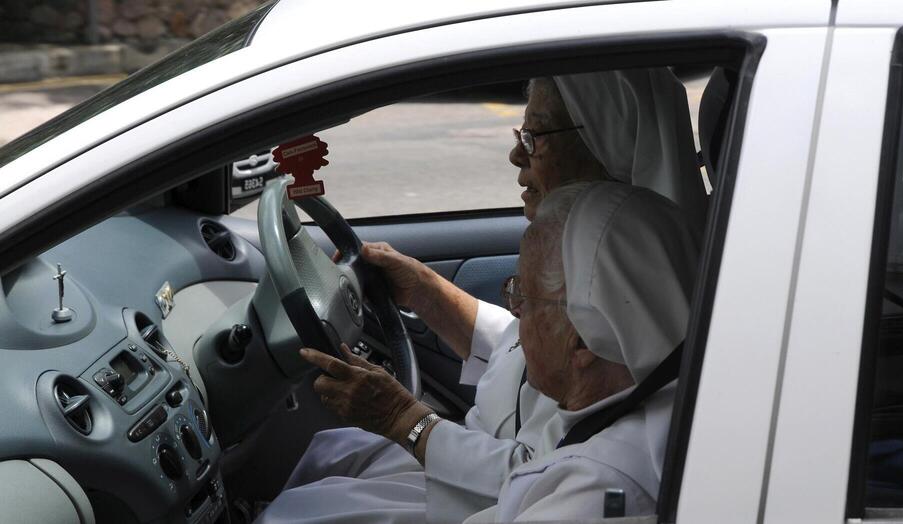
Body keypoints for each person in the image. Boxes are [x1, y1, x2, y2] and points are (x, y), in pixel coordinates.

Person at [257, 77, 609, 524]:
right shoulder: (580, 246)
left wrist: (405, 418)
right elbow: (516, 341)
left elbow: (543, 479)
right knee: (334, 450)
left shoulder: (620, 271)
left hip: (504, 497)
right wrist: (425, 291)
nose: (516, 154)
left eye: (534, 136)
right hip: (484, 461)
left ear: (599, 141)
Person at [472, 180, 699, 521]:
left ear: (580, 341)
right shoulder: (668, 412)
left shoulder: (601, 487)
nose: (515, 310)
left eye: (525, 296)